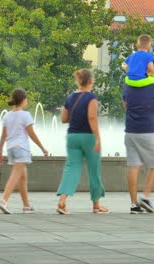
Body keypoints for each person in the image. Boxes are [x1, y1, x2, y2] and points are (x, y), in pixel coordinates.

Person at [56, 69, 108, 215]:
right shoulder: (91, 97)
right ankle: (96, 205)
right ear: (91, 81)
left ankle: (62, 200)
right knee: (94, 169)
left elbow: (63, 119)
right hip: (88, 137)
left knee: (71, 168)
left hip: (72, 137)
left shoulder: (70, 97)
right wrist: (97, 138)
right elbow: (92, 118)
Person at [123, 79, 154, 214]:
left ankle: (134, 205)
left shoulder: (128, 86)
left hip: (130, 131)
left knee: (134, 167)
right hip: (147, 131)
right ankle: (145, 197)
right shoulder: (153, 87)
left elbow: (125, 106)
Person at [0, 88, 49, 214]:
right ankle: (4, 201)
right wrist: (42, 148)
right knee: (15, 176)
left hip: (11, 149)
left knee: (22, 177)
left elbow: (3, 135)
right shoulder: (25, 115)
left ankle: (26, 206)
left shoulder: (7, 116)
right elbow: (31, 134)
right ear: (24, 100)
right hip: (21, 148)